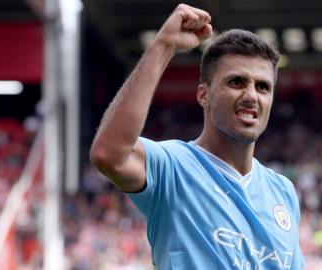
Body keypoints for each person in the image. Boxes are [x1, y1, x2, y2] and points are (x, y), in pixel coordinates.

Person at [89, 3, 305, 270]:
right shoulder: (172, 166)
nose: (251, 96)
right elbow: (108, 155)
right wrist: (164, 45)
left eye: (263, 87)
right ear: (204, 94)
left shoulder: (283, 191)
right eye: (236, 82)